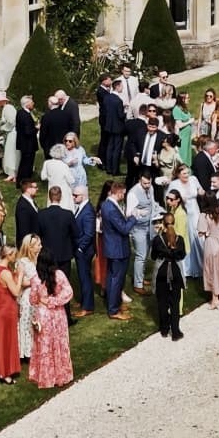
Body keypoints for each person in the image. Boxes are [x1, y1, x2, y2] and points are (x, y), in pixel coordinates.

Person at [28, 255, 76, 388]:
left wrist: (45, 301)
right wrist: (54, 301)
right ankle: (61, 375)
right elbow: (68, 292)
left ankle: (46, 376)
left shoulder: (35, 279)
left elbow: (32, 299)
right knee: (59, 343)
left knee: (45, 346)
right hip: (58, 314)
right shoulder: (59, 275)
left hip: (43, 315)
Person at [97, 181, 134, 318]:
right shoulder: (111, 208)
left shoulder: (106, 205)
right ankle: (113, 309)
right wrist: (133, 217)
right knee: (116, 278)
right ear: (118, 193)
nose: (123, 196)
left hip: (113, 247)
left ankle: (115, 304)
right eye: (123, 194)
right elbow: (123, 228)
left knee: (113, 277)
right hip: (117, 248)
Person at [149, 211, 186, 340]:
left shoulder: (157, 240)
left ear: (163, 224)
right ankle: (175, 331)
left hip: (162, 272)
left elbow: (153, 256)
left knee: (162, 302)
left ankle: (164, 329)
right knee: (175, 303)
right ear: (174, 223)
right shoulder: (179, 239)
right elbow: (182, 255)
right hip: (175, 272)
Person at [0, 246, 22, 384]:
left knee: (2, 341)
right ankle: (6, 372)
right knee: (8, 341)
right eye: (14, 255)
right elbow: (15, 292)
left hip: (0, 307)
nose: (15, 257)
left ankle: (2, 370)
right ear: (8, 255)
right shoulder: (6, 273)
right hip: (8, 309)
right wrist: (19, 276)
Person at [10, 235, 41, 364]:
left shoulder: (33, 260)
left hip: (34, 295)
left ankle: (32, 350)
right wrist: (35, 281)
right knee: (26, 324)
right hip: (26, 298)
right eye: (38, 245)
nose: (40, 247)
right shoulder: (22, 262)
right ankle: (26, 352)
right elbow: (20, 281)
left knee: (33, 323)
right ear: (30, 247)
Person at [70, 186, 97, 314]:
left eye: (76, 195)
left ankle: (87, 307)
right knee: (82, 277)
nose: (73, 197)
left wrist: (80, 248)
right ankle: (84, 301)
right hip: (82, 249)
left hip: (84, 250)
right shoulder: (82, 208)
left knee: (85, 277)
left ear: (83, 196)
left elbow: (89, 233)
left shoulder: (87, 211)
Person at [96, 76, 127, 177]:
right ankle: (115, 170)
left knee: (110, 147)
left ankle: (108, 168)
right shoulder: (118, 101)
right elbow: (121, 115)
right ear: (117, 87)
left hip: (108, 126)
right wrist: (125, 111)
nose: (122, 88)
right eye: (121, 86)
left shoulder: (107, 98)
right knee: (117, 148)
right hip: (118, 127)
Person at [0, 91, 19, 182]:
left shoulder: (8, 108)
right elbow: (3, 120)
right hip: (11, 132)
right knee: (10, 153)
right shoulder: (5, 108)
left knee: (11, 153)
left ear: (2, 101)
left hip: (13, 132)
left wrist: (1, 129)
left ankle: (13, 173)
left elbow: (11, 122)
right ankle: (12, 174)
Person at [15, 95, 40, 184]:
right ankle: (24, 181)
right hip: (27, 144)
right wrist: (37, 128)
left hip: (24, 143)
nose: (33, 103)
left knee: (25, 163)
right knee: (27, 164)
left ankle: (23, 180)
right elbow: (28, 131)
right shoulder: (25, 115)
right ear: (27, 104)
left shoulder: (20, 113)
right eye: (31, 102)